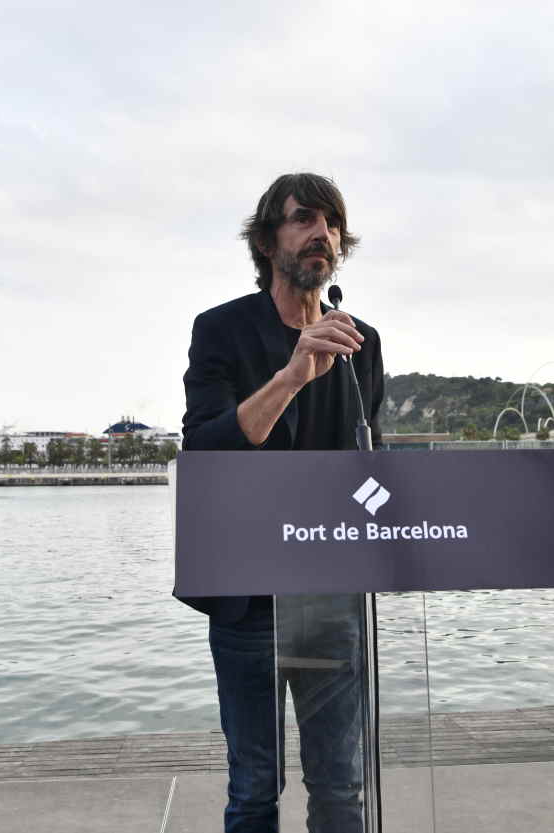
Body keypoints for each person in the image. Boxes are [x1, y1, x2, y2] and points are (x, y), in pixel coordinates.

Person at [179, 172, 385, 833]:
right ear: (270, 240)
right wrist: (293, 375)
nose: (320, 231)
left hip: (333, 597)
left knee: (341, 788)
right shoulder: (221, 331)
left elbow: (367, 466)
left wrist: (403, 519)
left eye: (330, 221)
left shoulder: (363, 342)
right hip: (247, 600)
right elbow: (206, 450)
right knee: (253, 790)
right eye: (303, 218)